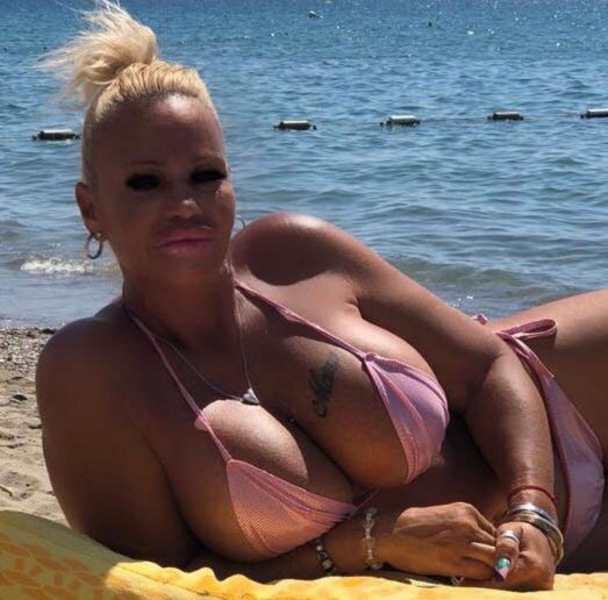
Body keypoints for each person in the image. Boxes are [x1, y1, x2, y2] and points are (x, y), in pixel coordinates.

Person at [36, 1, 606, 592]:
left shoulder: (291, 252)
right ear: (91, 210)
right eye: (145, 183)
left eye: (206, 176)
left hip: (557, 411)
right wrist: (374, 542)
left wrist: (533, 508)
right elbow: (164, 580)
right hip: (531, 556)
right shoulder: (94, 370)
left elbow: (489, 365)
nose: (184, 204)